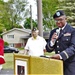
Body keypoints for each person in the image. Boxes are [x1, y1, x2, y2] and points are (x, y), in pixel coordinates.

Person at [46, 10, 75, 75]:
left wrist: (60, 55)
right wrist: (52, 41)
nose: (58, 22)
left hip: (70, 65)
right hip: (57, 64)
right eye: (56, 20)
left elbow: (73, 47)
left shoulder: (72, 31)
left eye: (60, 19)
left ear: (66, 19)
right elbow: (48, 49)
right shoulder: (53, 32)